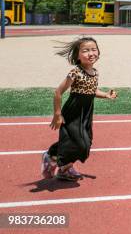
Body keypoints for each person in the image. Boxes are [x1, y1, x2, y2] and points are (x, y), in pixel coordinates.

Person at [41, 37, 117, 181]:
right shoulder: (75, 72)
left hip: (87, 113)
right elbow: (58, 92)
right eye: (85, 50)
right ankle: (51, 156)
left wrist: (106, 95)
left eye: (93, 49)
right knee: (81, 144)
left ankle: (63, 169)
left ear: (99, 53)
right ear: (77, 56)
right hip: (73, 112)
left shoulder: (95, 72)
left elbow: (91, 90)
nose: (91, 53)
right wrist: (57, 114)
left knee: (85, 143)